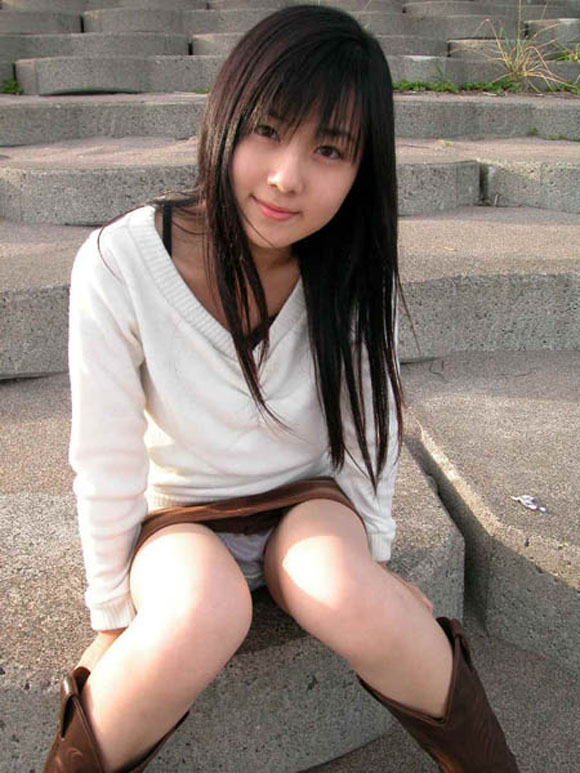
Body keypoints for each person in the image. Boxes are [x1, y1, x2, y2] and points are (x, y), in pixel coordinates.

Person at [43, 5, 518, 772]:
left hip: (308, 502)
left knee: (346, 590)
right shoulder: (120, 262)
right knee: (203, 612)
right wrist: (110, 618)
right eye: (267, 130)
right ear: (226, 117)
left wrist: (375, 558)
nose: (287, 177)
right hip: (183, 517)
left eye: (329, 149)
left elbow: (369, 420)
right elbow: (104, 456)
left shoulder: (348, 267)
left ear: (362, 169)